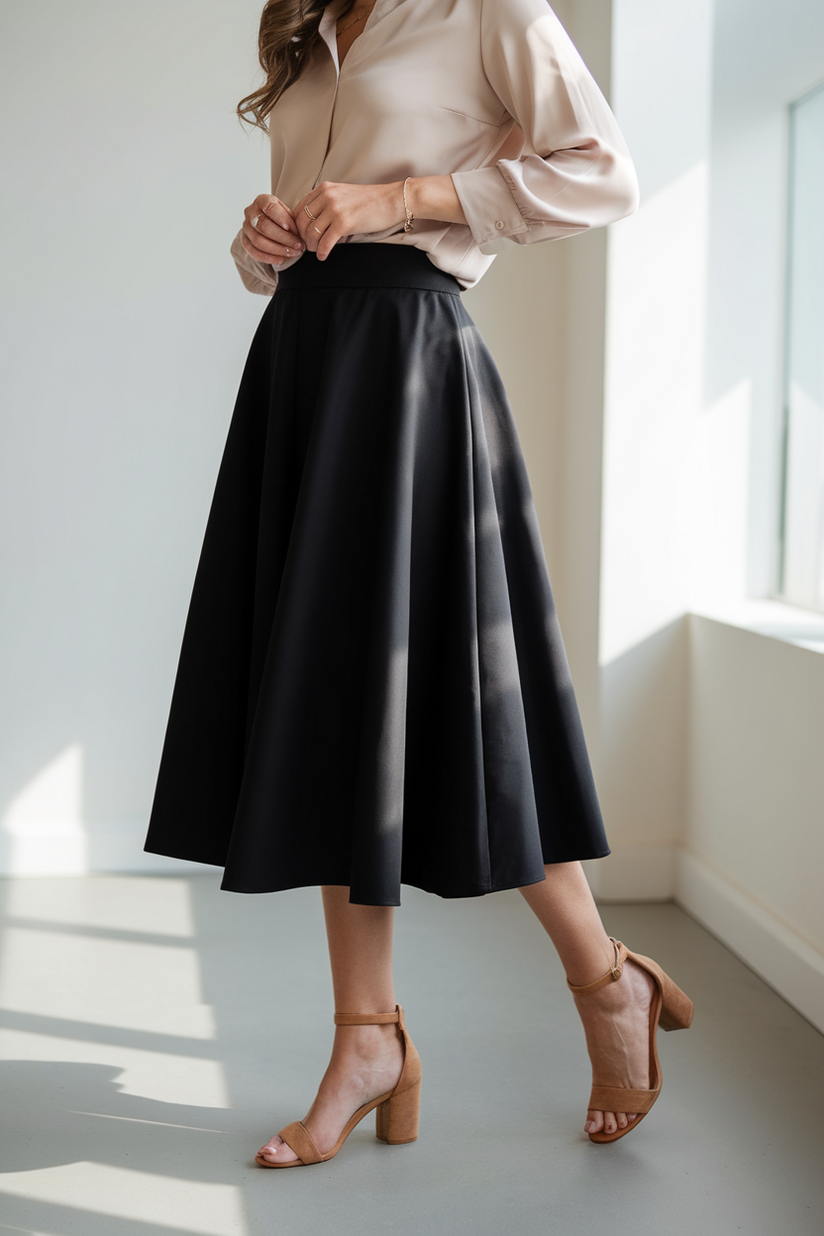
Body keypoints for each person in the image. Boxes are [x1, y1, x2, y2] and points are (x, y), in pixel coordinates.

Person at [145, 0, 693, 1166]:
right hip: (304, 364)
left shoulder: (486, 10)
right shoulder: (308, 31)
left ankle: (603, 981)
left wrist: (396, 200)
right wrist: (265, 239)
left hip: (410, 371)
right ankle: (365, 1039)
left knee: (467, 707)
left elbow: (602, 176)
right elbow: (280, 250)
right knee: (338, 708)